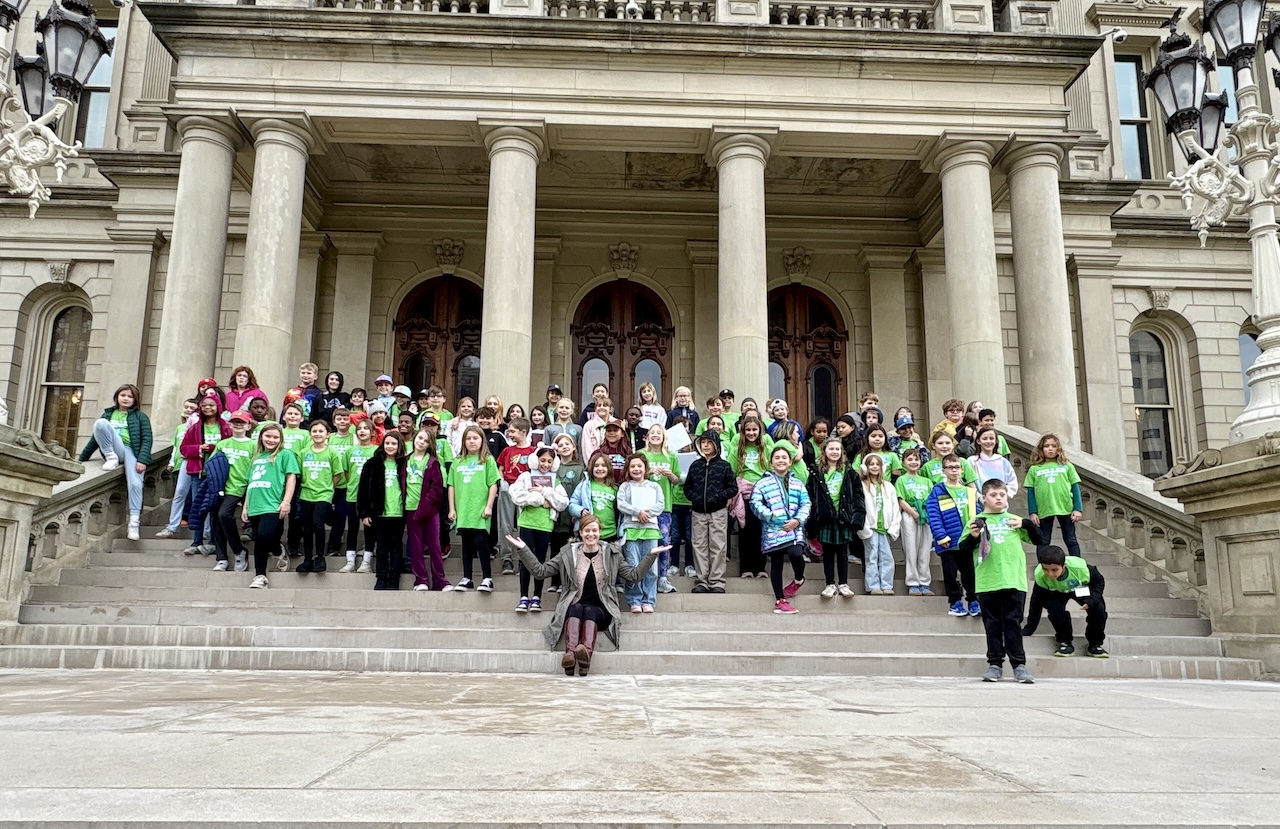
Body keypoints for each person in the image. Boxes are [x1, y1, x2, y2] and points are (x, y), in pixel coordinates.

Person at [507, 514, 667, 676]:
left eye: (594, 531)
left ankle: (583, 656)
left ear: (600, 533)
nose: (591, 534)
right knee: (576, 609)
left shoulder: (612, 554)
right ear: (581, 533)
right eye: (587, 531)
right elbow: (540, 572)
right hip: (574, 605)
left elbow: (634, 576)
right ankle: (571, 655)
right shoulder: (568, 553)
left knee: (589, 611)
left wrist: (651, 555)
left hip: (601, 608)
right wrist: (523, 549)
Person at [958, 479, 1034, 684]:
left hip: (1014, 579)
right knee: (992, 625)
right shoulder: (976, 520)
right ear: (984, 498)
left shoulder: (1014, 519)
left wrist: (1025, 523)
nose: (999, 498)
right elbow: (963, 550)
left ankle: (1019, 665)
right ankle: (995, 664)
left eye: (1002, 494)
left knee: (1013, 623)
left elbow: (1039, 539)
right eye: (994, 495)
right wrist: (973, 537)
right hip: (987, 581)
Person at [79, 384, 154, 542]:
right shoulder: (108, 415)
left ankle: (134, 522)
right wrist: (81, 459)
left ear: (135, 400)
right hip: (112, 450)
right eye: (123, 395)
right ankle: (110, 457)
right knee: (99, 424)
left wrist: (142, 460)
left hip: (131, 451)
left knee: (135, 484)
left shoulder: (140, 417)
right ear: (117, 397)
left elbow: (147, 439)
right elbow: (95, 440)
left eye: (130, 396)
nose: (126, 398)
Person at [750, 445, 811, 614]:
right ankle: (780, 599)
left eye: (784, 457)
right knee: (776, 563)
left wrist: (798, 520)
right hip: (773, 530)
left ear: (790, 461)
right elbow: (755, 503)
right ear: (771, 463)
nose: (781, 460)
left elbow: (806, 503)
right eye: (777, 458)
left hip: (794, 528)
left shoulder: (798, 483)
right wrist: (771, 516)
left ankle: (798, 579)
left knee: (796, 555)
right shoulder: (762, 483)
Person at [510, 446, 569, 612]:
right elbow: (516, 494)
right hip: (527, 523)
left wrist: (545, 492)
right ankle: (523, 596)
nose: (546, 464)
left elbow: (563, 502)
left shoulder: (555, 480)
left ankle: (537, 596)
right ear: (535, 460)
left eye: (549, 461)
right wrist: (535, 499)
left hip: (545, 526)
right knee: (524, 560)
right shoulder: (526, 476)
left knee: (540, 560)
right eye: (542, 460)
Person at [1023, 545, 1109, 658]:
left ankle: (1095, 644)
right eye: (1045, 569)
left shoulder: (1080, 569)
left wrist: (1091, 600)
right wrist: (1030, 627)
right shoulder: (1040, 576)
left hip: (1078, 588)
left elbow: (1098, 582)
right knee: (1054, 609)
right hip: (1056, 591)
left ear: (1064, 566)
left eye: (1054, 570)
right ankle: (1065, 642)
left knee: (1098, 609)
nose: (1050, 574)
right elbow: (1036, 601)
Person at [241, 422, 299, 588]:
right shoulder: (256, 458)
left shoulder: (285, 454)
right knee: (259, 539)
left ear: (281, 439)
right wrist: (245, 506)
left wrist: (286, 501)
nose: (271, 440)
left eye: (275, 437)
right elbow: (251, 483)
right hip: (254, 504)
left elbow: (291, 478)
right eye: (268, 436)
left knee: (266, 535)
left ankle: (278, 551)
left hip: (273, 503)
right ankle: (260, 576)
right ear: (261, 437)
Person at [805, 437, 863, 599]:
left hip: (844, 516)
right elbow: (810, 495)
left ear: (842, 452)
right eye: (831, 449)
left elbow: (858, 496)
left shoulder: (849, 472)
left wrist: (856, 517)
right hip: (825, 517)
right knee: (828, 552)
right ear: (824, 451)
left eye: (838, 449)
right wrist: (813, 519)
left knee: (843, 552)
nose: (835, 452)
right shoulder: (816, 472)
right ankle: (830, 583)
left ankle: (843, 583)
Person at [445, 425, 500, 592]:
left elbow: (493, 484)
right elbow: (451, 486)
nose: (471, 441)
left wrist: (489, 506)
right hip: (463, 510)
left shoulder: (488, 460)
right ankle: (467, 577)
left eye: (475, 438)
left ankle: (487, 578)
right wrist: (452, 509)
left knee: (481, 543)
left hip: (480, 510)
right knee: (466, 544)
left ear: (482, 440)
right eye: (468, 439)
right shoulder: (457, 461)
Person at [926, 454, 980, 618]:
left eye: (957, 467)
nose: (954, 470)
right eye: (950, 467)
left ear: (962, 470)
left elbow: (977, 513)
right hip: (948, 541)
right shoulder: (938, 491)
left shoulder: (970, 492)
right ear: (944, 470)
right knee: (950, 573)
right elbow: (933, 515)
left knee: (969, 573)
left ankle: (973, 601)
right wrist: (941, 535)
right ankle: (955, 602)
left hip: (968, 541)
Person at [683, 431, 736, 594]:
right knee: (699, 545)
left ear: (716, 445)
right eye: (703, 442)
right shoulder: (695, 465)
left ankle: (717, 580)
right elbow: (687, 488)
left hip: (718, 511)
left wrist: (718, 497)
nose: (705, 445)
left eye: (709, 442)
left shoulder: (724, 466)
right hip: (698, 511)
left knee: (718, 545)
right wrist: (695, 498)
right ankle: (702, 580)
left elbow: (733, 488)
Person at [358, 432, 409, 591]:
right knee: (381, 547)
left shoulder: (405, 464)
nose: (390, 446)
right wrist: (364, 512)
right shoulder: (372, 463)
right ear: (382, 444)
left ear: (400, 445)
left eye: (394, 444)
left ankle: (394, 580)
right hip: (379, 513)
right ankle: (381, 578)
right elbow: (363, 489)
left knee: (396, 546)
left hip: (398, 513)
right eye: (387, 443)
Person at [179, 393, 229, 554]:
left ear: (218, 407)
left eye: (211, 405)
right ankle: (196, 541)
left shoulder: (225, 427)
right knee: (198, 506)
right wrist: (199, 448)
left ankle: (214, 541)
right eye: (205, 405)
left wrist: (214, 448)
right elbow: (184, 448)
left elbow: (228, 448)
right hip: (198, 473)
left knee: (215, 507)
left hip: (218, 474)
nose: (208, 407)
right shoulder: (195, 428)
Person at [616, 453, 664, 614]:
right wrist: (638, 512)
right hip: (631, 530)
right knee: (633, 566)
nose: (636, 469)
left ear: (645, 468)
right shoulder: (625, 486)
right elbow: (621, 504)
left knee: (651, 569)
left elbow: (660, 504)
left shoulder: (654, 486)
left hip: (650, 530)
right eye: (633, 466)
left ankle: (648, 600)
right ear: (628, 469)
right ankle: (634, 600)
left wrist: (647, 514)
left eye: (639, 466)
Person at [211, 410, 257, 572]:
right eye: (235, 422)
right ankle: (222, 558)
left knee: (224, 515)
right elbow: (212, 466)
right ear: (229, 424)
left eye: (242, 422)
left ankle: (239, 550)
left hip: (244, 486)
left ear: (248, 425)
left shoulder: (253, 445)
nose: (238, 425)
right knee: (217, 519)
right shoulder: (222, 444)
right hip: (223, 487)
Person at [296, 419, 343, 575]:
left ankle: (320, 557)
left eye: (321, 431)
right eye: (314, 431)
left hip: (324, 494)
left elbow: (338, 474)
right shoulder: (304, 453)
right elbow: (300, 474)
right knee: (307, 527)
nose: (317, 434)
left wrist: (328, 487)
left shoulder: (332, 452)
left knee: (318, 524)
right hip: (306, 493)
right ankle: (308, 559)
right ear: (310, 434)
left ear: (327, 434)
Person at [405, 426, 448, 592]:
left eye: (425, 440)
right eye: (419, 438)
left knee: (434, 546)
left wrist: (425, 507)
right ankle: (420, 580)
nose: (421, 442)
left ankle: (440, 581)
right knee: (415, 547)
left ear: (430, 444)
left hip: (429, 511)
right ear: (414, 438)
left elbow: (436, 488)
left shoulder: (432, 462)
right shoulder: (406, 460)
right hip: (410, 509)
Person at [639, 424, 681, 594]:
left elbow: (677, 480)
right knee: (646, 543)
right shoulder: (642, 454)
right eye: (652, 433)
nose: (656, 435)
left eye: (659, 433)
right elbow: (634, 473)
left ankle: (662, 578)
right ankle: (644, 576)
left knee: (663, 541)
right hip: (644, 506)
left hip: (664, 507)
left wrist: (670, 474)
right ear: (647, 436)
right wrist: (648, 472)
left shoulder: (671, 455)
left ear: (664, 437)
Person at [1025, 434, 1083, 555]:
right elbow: (1030, 492)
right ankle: (1042, 568)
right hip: (1044, 509)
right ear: (1041, 449)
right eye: (1046, 446)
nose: (1050, 449)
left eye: (1053, 446)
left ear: (1058, 449)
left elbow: (1075, 487)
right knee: (1043, 541)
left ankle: (1078, 566)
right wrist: (1032, 512)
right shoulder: (1034, 469)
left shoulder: (1067, 466)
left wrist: (1078, 508)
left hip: (1066, 508)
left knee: (1071, 540)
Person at [730, 416, 772, 579]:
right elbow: (732, 472)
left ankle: (760, 567)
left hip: (762, 494)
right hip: (744, 494)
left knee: (761, 530)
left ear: (760, 431)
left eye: (754, 430)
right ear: (742, 431)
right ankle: (745, 568)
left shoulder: (766, 449)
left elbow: (771, 470)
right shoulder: (737, 450)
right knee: (745, 530)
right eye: (748, 430)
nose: (751, 433)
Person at [496, 417, 537, 575]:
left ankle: (523, 559)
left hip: (525, 491)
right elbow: (500, 468)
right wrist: (502, 482)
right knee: (505, 523)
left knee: (523, 525)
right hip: (508, 488)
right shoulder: (507, 450)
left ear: (523, 432)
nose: (509, 434)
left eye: (512, 431)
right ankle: (506, 558)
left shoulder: (533, 452)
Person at [857, 453, 901, 596]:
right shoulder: (862, 486)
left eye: (877, 464)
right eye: (871, 464)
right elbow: (860, 508)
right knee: (871, 556)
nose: (874, 467)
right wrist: (865, 528)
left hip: (885, 528)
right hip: (870, 527)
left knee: (887, 557)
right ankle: (873, 585)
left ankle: (887, 584)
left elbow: (895, 508)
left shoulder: (889, 487)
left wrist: (894, 527)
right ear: (865, 467)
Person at [339, 419, 379, 574]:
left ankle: (366, 562)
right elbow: (347, 473)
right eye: (359, 429)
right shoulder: (350, 451)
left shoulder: (377, 451)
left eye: (366, 428)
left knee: (369, 528)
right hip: (352, 495)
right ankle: (350, 561)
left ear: (373, 432)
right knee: (353, 528)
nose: (362, 431)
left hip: (370, 498)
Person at [157, 398, 199, 541]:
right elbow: (176, 446)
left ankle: (196, 524)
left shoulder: (201, 426)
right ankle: (172, 525)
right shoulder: (180, 428)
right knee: (179, 492)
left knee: (194, 496)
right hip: (181, 463)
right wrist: (171, 461)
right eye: (186, 407)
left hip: (198, 464)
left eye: (192, 408)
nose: (188, 410)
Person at [896, 448, 935, 596]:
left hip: (926, 514)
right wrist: (913, 513)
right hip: (909, 513)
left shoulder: (927, 481)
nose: (913, 462)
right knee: (911, 548)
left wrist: (925, 514)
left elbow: (932, 499)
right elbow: (900, 499)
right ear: (904, 462)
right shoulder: (901, 479)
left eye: (916, 459)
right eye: (910, 459)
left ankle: (925, 582)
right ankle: (912, 582)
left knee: (924, 549)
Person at [570, 452, 621, 542]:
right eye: (596, 466)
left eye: (603, 465)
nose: (600, 468)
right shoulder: (584, 485)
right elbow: (572, 504)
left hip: (610, 533)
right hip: (589, 533)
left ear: (608, 468)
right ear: (591, 468)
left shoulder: (615, 488)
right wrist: (580, 511)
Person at [326, 408, 356, 556]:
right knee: (327, 514)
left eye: (345, 418)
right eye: (339, 418)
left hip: (346, 484)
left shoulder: (354, 438)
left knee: (340, 514)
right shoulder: (329, 438)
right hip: (328, 483)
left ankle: (333, 547)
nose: (342, 421)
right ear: (334, 421)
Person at [971, 427, 1018, 496]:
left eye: (991, 438)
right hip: (979, 503)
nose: (988, 441)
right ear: (978, 441)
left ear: (996, 441)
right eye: (984, 439)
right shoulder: (972, 461)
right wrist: (981, 498)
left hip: (1000, 503)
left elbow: (1012, 483)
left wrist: (1001, 496)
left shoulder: (1003, 462)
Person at [579, 397, 615, 461]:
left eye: (605, 405)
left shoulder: (616, 423)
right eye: (599, 406)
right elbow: (586, 448)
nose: (602, 407)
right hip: (595, 464)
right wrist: (591, 465)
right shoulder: (589, 425)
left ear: (610, 409)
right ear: (595, 409)